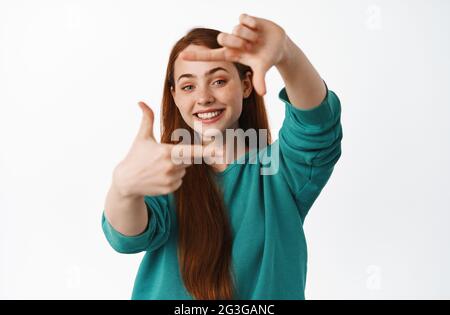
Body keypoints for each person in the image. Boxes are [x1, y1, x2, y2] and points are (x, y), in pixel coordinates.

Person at [101, 13, 343, 300]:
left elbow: (316, 125)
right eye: (189, 86)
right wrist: (124, 188)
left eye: (217, 81)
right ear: (175, 96)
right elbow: (126, 238)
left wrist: (286, 55)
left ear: (245, 85)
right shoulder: (165, 173)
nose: (203, 97)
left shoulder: (280, 171)